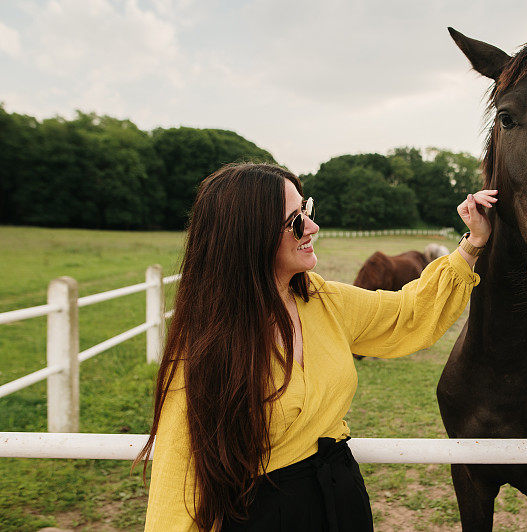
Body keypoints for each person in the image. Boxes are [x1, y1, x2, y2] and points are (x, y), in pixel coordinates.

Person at [135, 163, 497, 531]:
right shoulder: (206, 348)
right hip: (265, 518)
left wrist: (471, 244)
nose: (312, 227)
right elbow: (179, 485)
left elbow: (406, 315)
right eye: (294, 221)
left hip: (342, 502)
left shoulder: (323, 299)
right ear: (249, 236)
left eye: (306, 210)